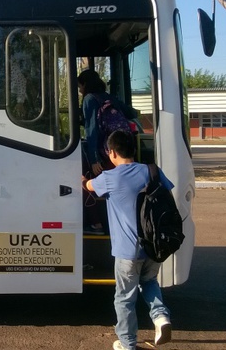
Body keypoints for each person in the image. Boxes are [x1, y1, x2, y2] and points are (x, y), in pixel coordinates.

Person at [83, 130, 173, 350]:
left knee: (124, 298)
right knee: (149, 282)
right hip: (154, 246)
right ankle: (161, 318)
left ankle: (127, 344)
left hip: (128, 251)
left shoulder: (110, 177)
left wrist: (83, 179)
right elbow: (168, 194)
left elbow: (89, 187)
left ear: (112, 152)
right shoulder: (152, 171)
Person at [78, 70, 136, 234]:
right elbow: (131, 113)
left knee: (86, 183)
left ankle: (96, 224)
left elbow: (91, 131)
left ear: (85, 84)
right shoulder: (109, 97)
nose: (80, 90)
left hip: (102, 154)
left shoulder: (89, 99)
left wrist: (94, 159)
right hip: (117, 152)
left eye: (80, 86)